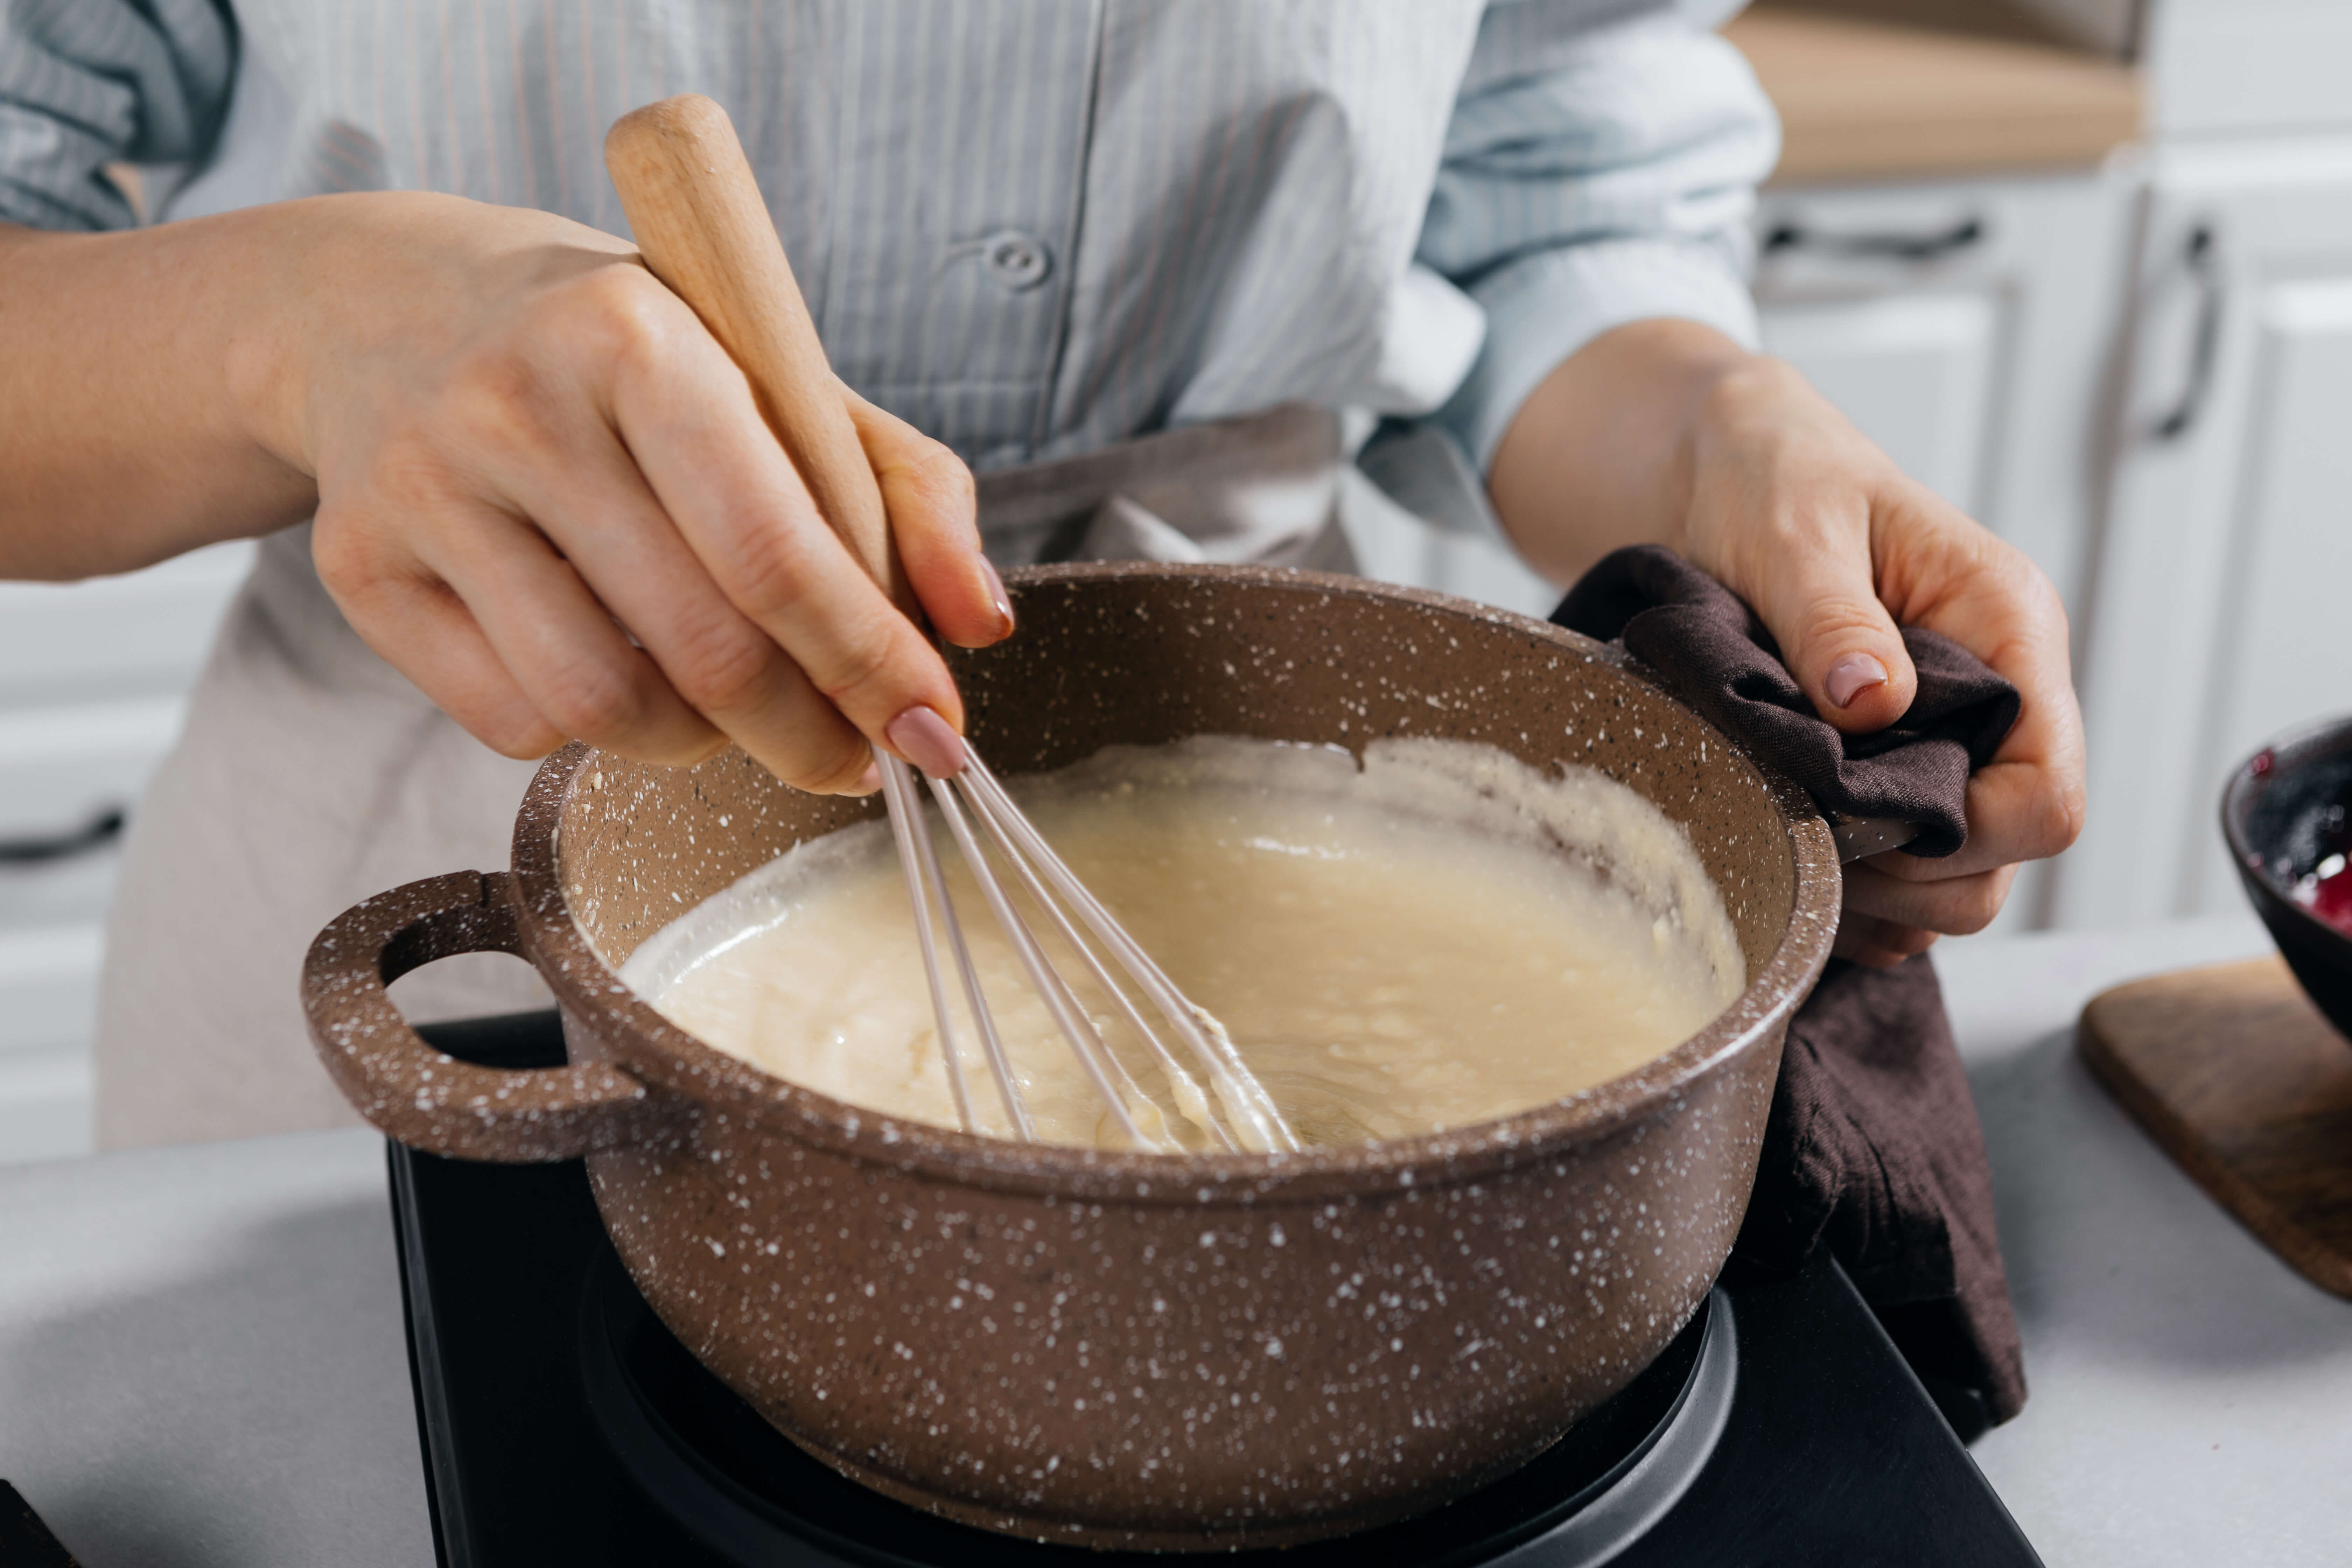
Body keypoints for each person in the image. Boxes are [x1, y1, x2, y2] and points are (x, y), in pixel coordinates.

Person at [0, 0, 2083, 1149]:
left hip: (1283, 738)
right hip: (448, 804)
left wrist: (1721, 433)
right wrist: (296, 322)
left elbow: (1538, 171)